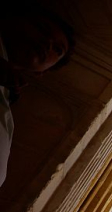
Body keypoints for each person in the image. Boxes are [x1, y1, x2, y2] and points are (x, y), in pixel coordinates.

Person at [0, 4, 75, 187]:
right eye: (42, 30)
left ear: (41, 73)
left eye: (57, 50)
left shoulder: (7, 108)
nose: (47, 43)